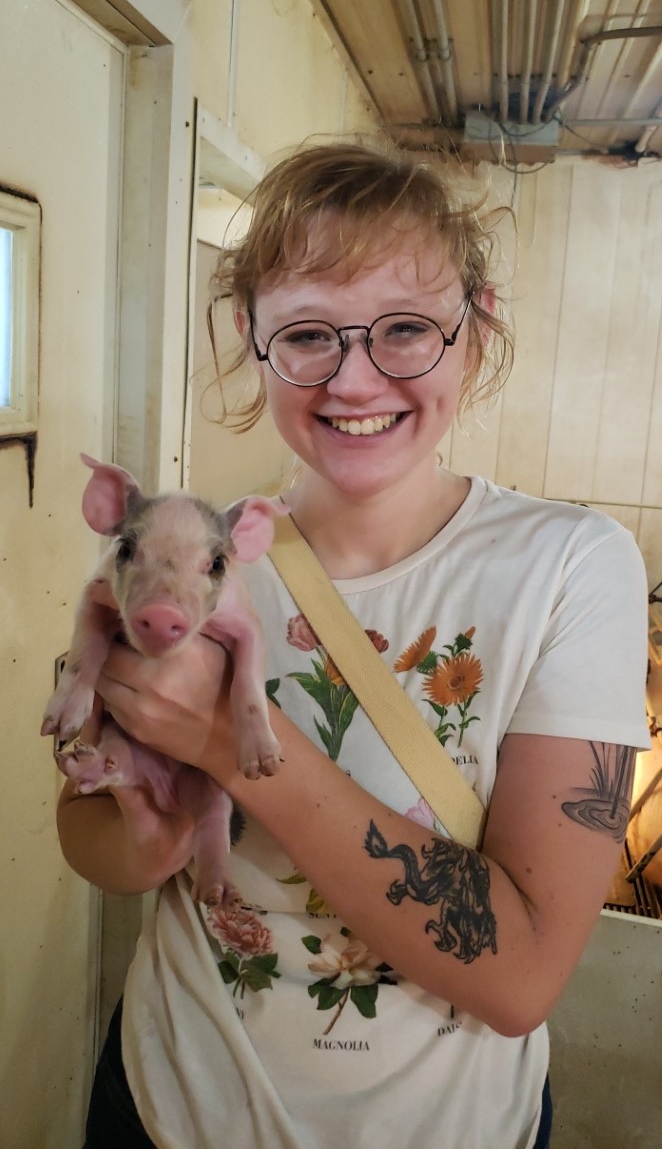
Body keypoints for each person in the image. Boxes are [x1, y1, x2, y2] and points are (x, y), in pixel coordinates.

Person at [57, 138, 650, 1149]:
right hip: (168, 1098)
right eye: (309, 336)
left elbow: (517, 977)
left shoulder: (568, 565)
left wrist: (219, 742)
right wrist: (145, 817)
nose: (354, 377)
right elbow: (93, 842)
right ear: (253, 340)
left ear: (474, 328)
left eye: (406, 328)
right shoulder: (188, 551)